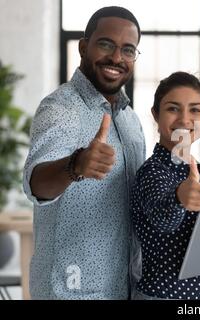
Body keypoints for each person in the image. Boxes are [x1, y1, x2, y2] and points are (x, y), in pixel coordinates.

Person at [22, 6, 145, 299]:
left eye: (128, 50)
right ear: (83, 47)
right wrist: (76, 165)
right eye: (106, 44)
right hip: (70, 291)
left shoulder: (131, 120)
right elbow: (36, 185)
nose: (117, 57)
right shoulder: (61, 109)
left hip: (121, 288)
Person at [130, 72, 200, 300]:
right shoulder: (153, 171)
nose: (184, 119)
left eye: (195, 110)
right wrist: (180, 198)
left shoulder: (193, 171)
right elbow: (163, 217)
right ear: (155, 115)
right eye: (173, 109)